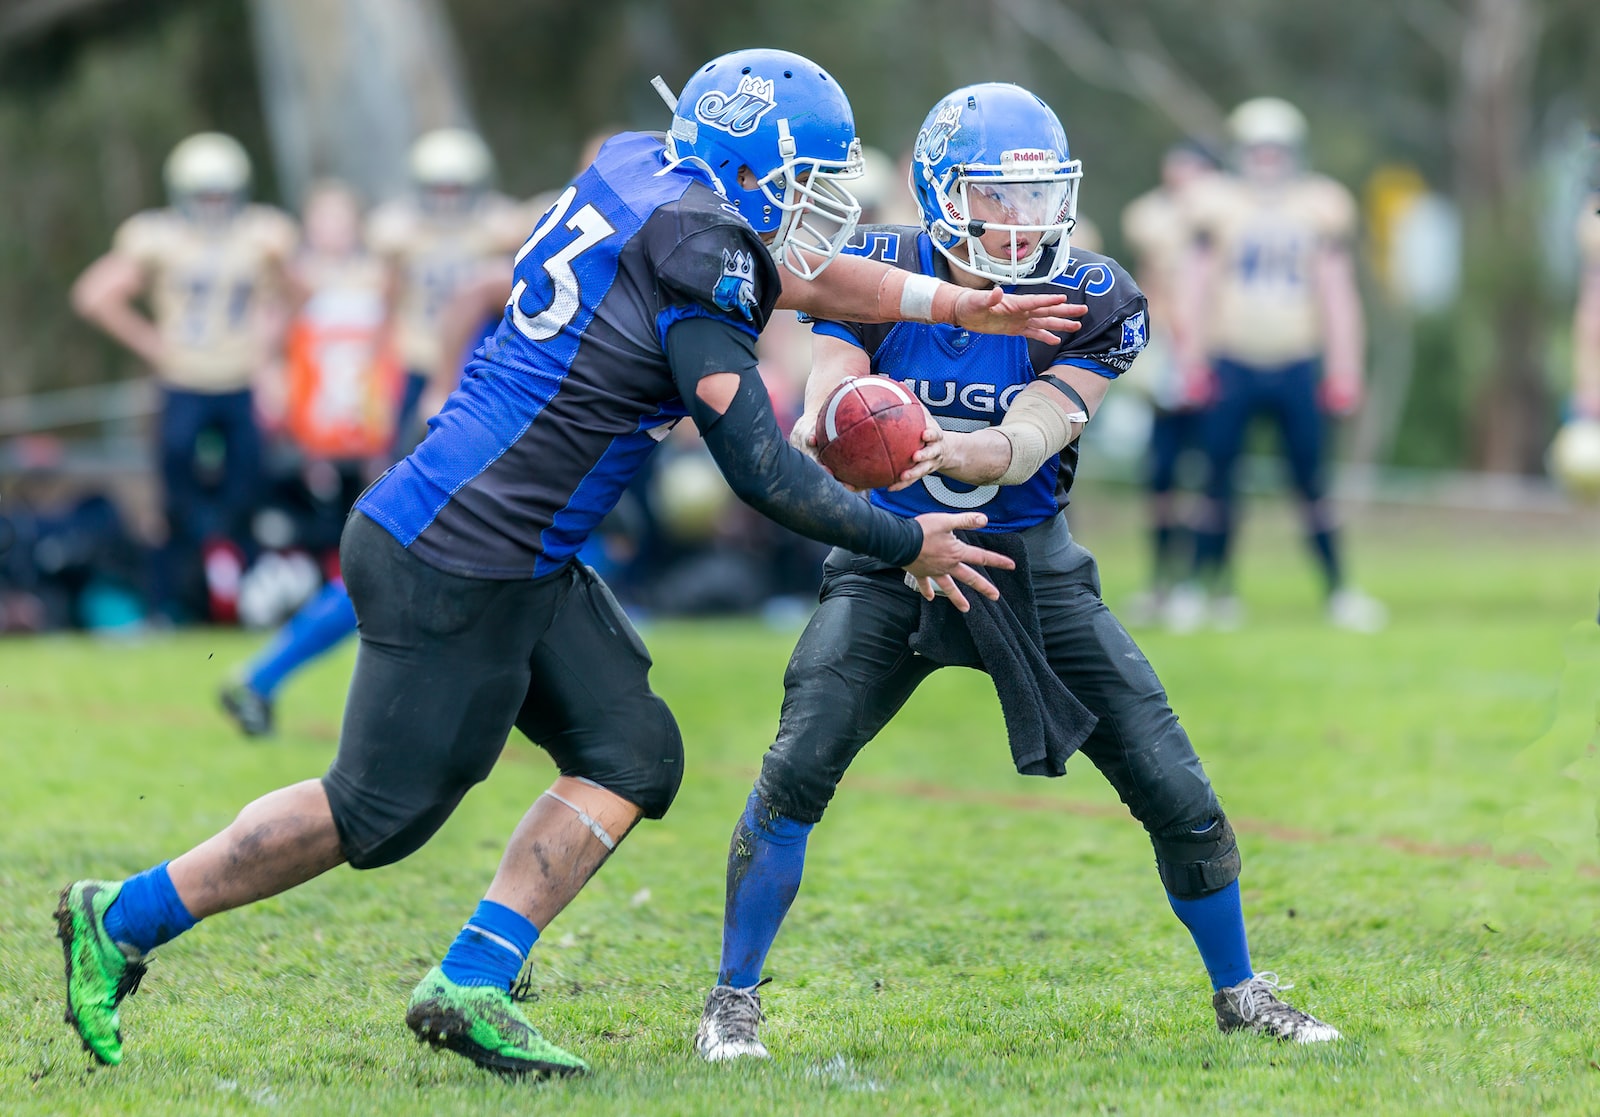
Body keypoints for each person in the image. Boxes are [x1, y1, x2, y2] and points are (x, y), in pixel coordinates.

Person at [55, 49, 1083, 1078]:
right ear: (746, 171)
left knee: (633, 754)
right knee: (374, 813)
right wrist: (907, 537)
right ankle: (124, 915)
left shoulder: (643, 169)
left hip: (503, 538)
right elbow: (764, 470)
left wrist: (955, 308)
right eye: (800, 185)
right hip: (462, 550)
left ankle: (473, 979)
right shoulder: (702, 252)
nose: (813, 208)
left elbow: (792, 271)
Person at [691, 83, 1339, 1063]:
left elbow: (1038, 432)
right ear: (944, 190)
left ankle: (1241, 988)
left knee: (1175, 785)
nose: (1026, 216)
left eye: (1041, 194)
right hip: (888, 560)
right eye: (1000, 193)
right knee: (795, 768)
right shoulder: (875, 261)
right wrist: (840, 422)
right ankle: (731, 1000)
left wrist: (954, 449)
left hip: (1027, 560)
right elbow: (827, 383)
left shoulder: (1094, 292)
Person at [1167, 98, 1385, 632]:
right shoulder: (1215, 204)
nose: (1266, 161)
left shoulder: (1319, 206)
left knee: (1313, 482)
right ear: (1242, 153)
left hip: (1296, 362)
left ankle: (1339, 590)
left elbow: (1337, 293)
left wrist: (1345, 367)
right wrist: (1190, 359)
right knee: (1215, 480)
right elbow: (1191, 290)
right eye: (1257, 150)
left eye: (1276, 150)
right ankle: (1202, 588)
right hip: (1231, 362)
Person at [71, 133, 299, 621]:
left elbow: (294, 295)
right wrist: (152, 342)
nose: (214, 206)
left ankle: (245, 603)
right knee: (175, 501)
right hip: (183, 379)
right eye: (204, 195)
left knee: (248, 495)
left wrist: (270, 355)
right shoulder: (159, 238)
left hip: (240, 379)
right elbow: (93, 294)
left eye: (221, 193)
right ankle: (172, 604)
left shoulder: (263, 235)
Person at [220, 181, 400, 736]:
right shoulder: (295, 283)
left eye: (341, 218)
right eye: (322, 218)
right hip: (319, 446)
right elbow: (266, 349)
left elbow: (389, 354)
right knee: (371, 574)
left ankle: (262, 680)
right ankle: (260, 679)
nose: (332, 230)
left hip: (370, 442)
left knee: (373, 576)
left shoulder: (379, 279)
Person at [367, 128, 526, 453]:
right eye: (438, 189)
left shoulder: (498, 226)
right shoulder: (400, 233)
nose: (447, 200)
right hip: (417, 352)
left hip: (473, 355)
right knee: (404, 449)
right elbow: (388, 296)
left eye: (456, 189)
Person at [1120, 142, 1218, 625]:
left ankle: (1204, 583)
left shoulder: (1227, 220)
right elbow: (1151, 287)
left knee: (1209, 479)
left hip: (1213, 361)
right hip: (1167, 361)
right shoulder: (1153, 220)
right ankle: (1162, 581)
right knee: (1161, 477)